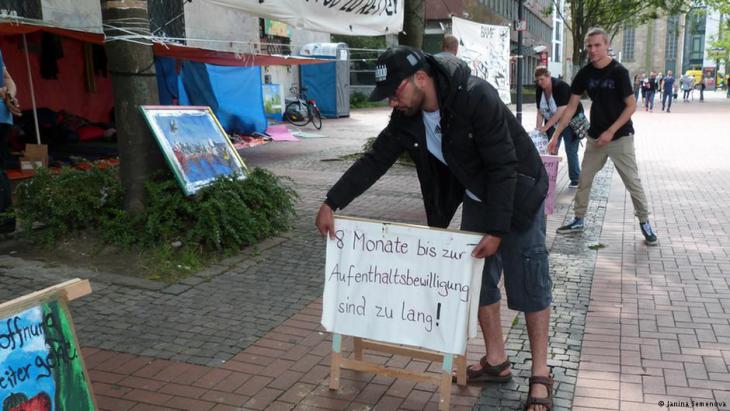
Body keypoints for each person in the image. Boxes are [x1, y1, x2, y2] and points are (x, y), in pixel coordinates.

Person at [315, 46, 554, 411]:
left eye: (396, 92)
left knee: (529, 282)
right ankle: (496, 360)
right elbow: (375, 159)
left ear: (421, 79)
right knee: (478, 283)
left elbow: (504, 166)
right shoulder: (408, 117)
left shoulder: (476, 97)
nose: (393, 102)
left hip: (518, 193)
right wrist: (332, 201)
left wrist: (497, 230)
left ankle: (540, 373)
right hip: (477, 198)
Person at [549, 27, 658, 246]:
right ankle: (578, 219)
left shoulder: (618, 72)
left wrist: (611, 131)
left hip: (620, 138)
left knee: (632, 182)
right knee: (584, 179)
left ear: (607, 45)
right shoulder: (585, 73)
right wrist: (555, 136)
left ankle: (645, 222)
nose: (593, 50)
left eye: (598, 45)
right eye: (590, 46)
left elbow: (631, 106)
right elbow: (570, 108)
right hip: (595, 138)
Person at [534, 66, 583, 187]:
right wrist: (538, 128)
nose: (540, 83)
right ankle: (549, 179)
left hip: (570, 122)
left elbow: (561, 110)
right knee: (551, 150)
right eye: (537, 80)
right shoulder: (540, 90)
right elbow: (540, 111)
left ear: (549, 76)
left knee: (571, 150)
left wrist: (546, 127)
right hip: (553, 123)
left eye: (542, 79)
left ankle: (576, 179)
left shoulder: (560, 86)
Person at [0, 49, 18, 234]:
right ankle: (6, 221)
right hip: (3, 116)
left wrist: (8, 95)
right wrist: (9, 95)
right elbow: (8, 79)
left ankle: (5, 221)